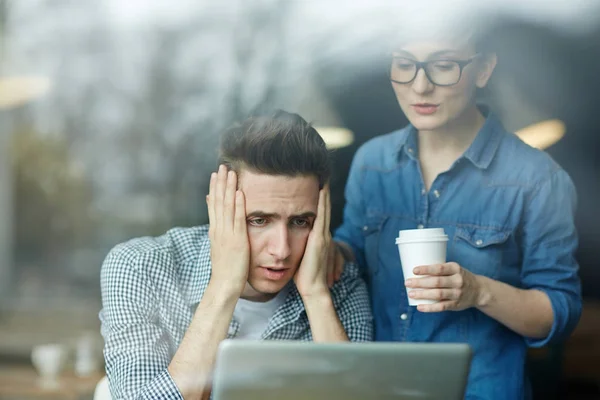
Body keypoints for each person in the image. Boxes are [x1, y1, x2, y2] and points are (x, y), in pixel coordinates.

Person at [333, 26, 582, 399]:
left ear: (483, 70)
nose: (420, 86)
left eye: (443, 66)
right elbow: (351, 248)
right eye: (404, 64)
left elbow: (558, 312)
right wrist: (323, 249)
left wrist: (479, 290)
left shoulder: (537, 178)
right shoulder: (372, 162)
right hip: (381, 388)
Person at [99, 110, 373, 399]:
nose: (281, 250)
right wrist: (223, 286)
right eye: (259, 220)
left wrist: (316, 295)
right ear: (218, 209)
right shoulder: (140, 268)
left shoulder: (339, 281)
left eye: (300, 222)